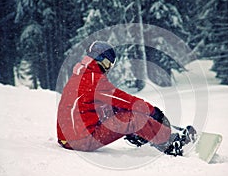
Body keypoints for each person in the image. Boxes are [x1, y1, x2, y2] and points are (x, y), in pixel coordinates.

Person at [57, 41, 196, 156]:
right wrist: (152, 111)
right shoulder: (94, 79)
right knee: (134, 117)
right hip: (80, 139)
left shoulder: (80, 76)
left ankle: (143, 133)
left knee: (115, 110)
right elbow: (126, 101)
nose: (109, 69)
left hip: (68, 138)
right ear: (103, 61)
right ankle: (171, 144)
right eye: (109, 64)